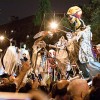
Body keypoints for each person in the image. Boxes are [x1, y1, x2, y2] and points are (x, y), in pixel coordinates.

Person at [66, 6, 100, 79]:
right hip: (78, 47)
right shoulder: (76, 24)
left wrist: (75, 37)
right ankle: (86, 76)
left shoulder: (80, 22)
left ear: (75, 15)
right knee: (79, 61)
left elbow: (83, 33)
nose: (69, 19)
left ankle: (89, 76)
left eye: (70, 17)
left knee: (88, 62)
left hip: (83, 46)